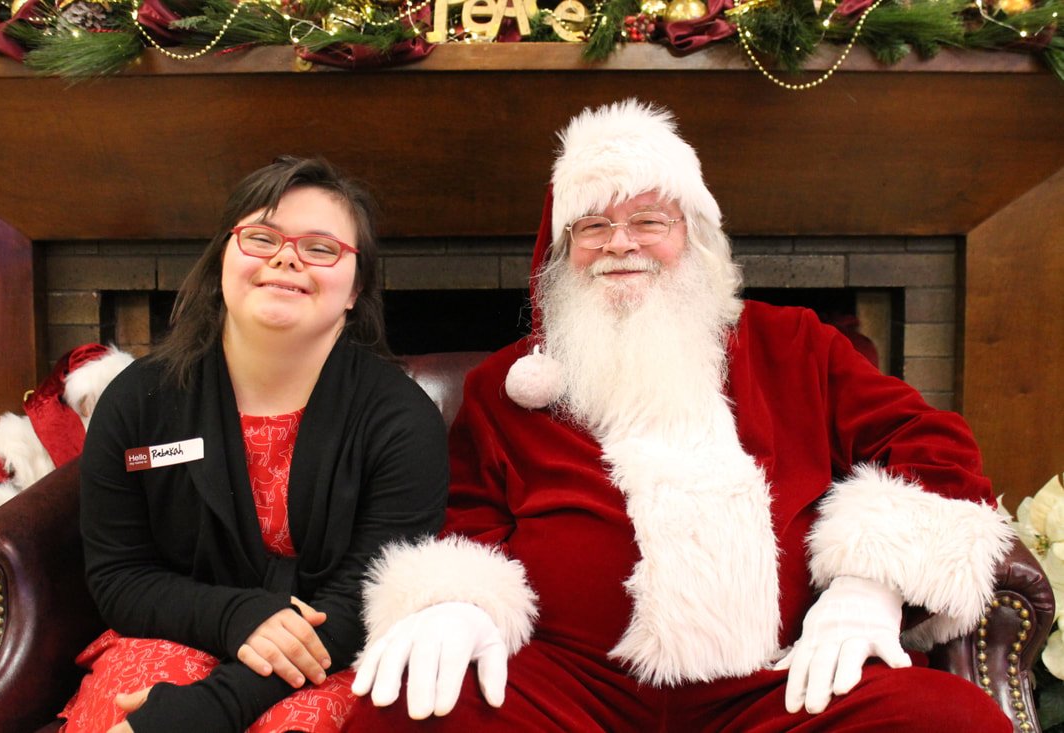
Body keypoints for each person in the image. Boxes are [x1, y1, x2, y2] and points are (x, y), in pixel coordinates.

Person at [342, 100, 1016, 731]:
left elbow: (930, 443)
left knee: (950, 719)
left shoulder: (796, 344)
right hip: (569, 687)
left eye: (647, 221)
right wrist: (460, 602)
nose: (619, 244)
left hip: (779, 684)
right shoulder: (504, 386)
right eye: (594, 226)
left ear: (691, 236)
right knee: (402, 708)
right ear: (560, 251)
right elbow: (468, 515)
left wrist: (870, 583)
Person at [58, 156, 449, 733]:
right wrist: (239, 614)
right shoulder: (138, 401)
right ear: (224, 258)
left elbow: (368, 598)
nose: (285, 257)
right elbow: (120, 576)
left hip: (332, 654)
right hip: (174, 632)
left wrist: (210, 709)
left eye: (320, 248)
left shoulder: (402, 420)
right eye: (261, 237)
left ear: (355, 288)